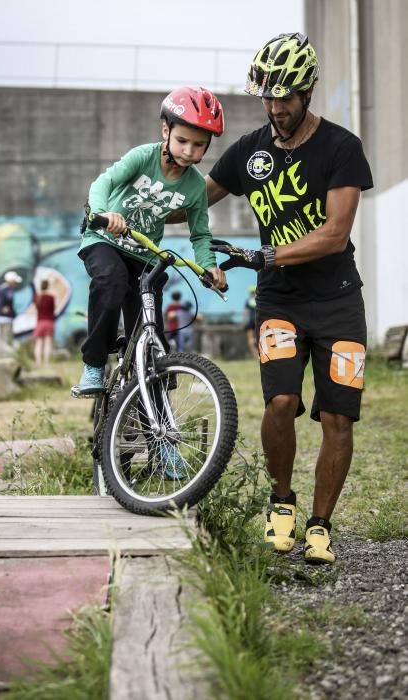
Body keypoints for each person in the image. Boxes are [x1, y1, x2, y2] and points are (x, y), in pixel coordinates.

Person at [205, 33, 373, 564]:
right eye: (269, 97)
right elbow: (195, 196)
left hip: (338, 301)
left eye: (287, 97)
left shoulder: (342, 148)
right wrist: (131, 208)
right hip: (279, 301)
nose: (277, 108)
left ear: (308, 92)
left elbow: (335, 234)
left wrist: (264, 257)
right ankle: (282, 504)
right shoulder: (250, 150)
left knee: (337, 418)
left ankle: (320, 525)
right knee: (280, 402)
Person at [72, 85, 226, 398]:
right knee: (111, 280)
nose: (189, 152)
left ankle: (158, 432)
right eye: (182, 141)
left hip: (143, 257)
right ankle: (94, 363)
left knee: (149, 340)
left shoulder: (196, 186)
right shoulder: (143, 157)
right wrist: (101, 212)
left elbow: (199, 234)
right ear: (165, 130)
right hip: (104, 240)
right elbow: (106, 180)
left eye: (199, 146)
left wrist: (209, 267)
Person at [32, 279, 55, 365]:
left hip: (40, 322)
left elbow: (36, 308)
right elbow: (53, 309)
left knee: (38, 343)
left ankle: (38, 362)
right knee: (48, 343)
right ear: (48, 286)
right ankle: (46, 363)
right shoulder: (51, 297)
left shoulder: (37, 297)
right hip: (49, 322)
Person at [243, 285, 258, 358]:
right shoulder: (259, 299)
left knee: (250, 339)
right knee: (259, 338)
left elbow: (245, 313)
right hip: (258, 321)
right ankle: (260, 355)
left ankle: (255, 356)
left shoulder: (248, 301)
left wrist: (244, 323)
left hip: (250, 322)